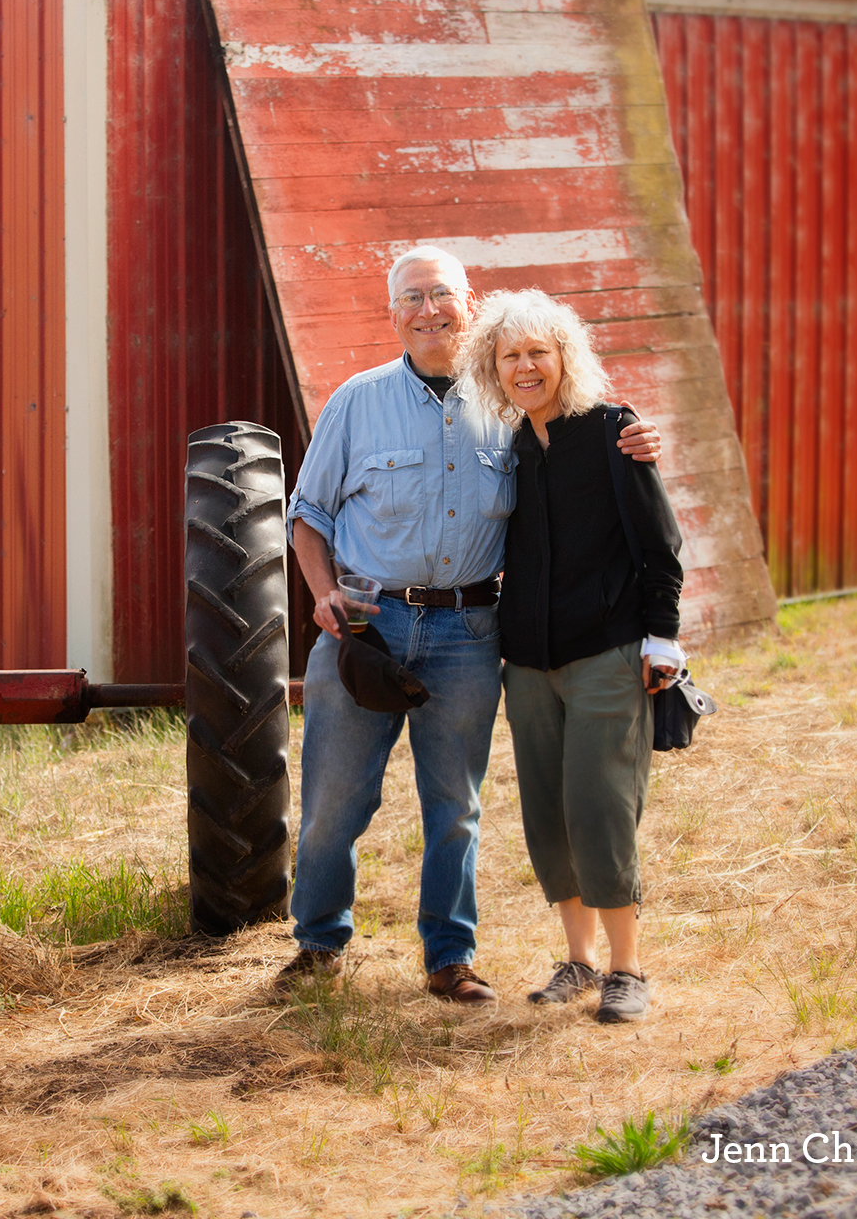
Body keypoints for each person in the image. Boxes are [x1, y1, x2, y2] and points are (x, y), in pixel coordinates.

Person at [278, 247, 662, 1004]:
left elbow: (577, 446)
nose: (428, 311)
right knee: (332, 803)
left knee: (455, 808)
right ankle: (319, 944)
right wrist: (323, 596)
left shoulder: (509, 405)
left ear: (469, 301)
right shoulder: (356, 401)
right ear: (393, 314)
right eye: (412, 298)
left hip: (469, 631)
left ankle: (449, 959)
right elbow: (307, 514)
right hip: (366, 627)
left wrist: (639, 442)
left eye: (441, 295)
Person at [461, 289, 686, 1024]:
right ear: (493, 368)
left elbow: (659, 542)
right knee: (549, 815)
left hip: (605, 653)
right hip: (526, 663)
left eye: (539, 352)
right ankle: (579, 961)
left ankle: (628, 969)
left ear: (566, 358)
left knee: (600, 807)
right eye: (511, 356)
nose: (525, 367)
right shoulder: (510, 448)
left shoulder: (614, 431)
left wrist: (662, 636)